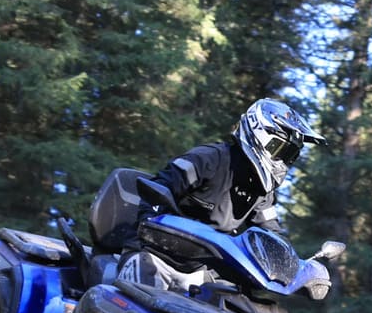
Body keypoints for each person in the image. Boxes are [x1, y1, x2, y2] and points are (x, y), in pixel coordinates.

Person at [118, 98, 327, 289]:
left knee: (248, 309)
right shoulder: (208, 159)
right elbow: (158, 188)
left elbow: (271, 235)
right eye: (280, 149)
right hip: (155, 256)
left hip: (202, 273)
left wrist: (293, 267)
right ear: (260, 133)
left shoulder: (262, 192)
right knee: (143, 291)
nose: (283, 161)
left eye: (290, 155)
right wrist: (150, 226)